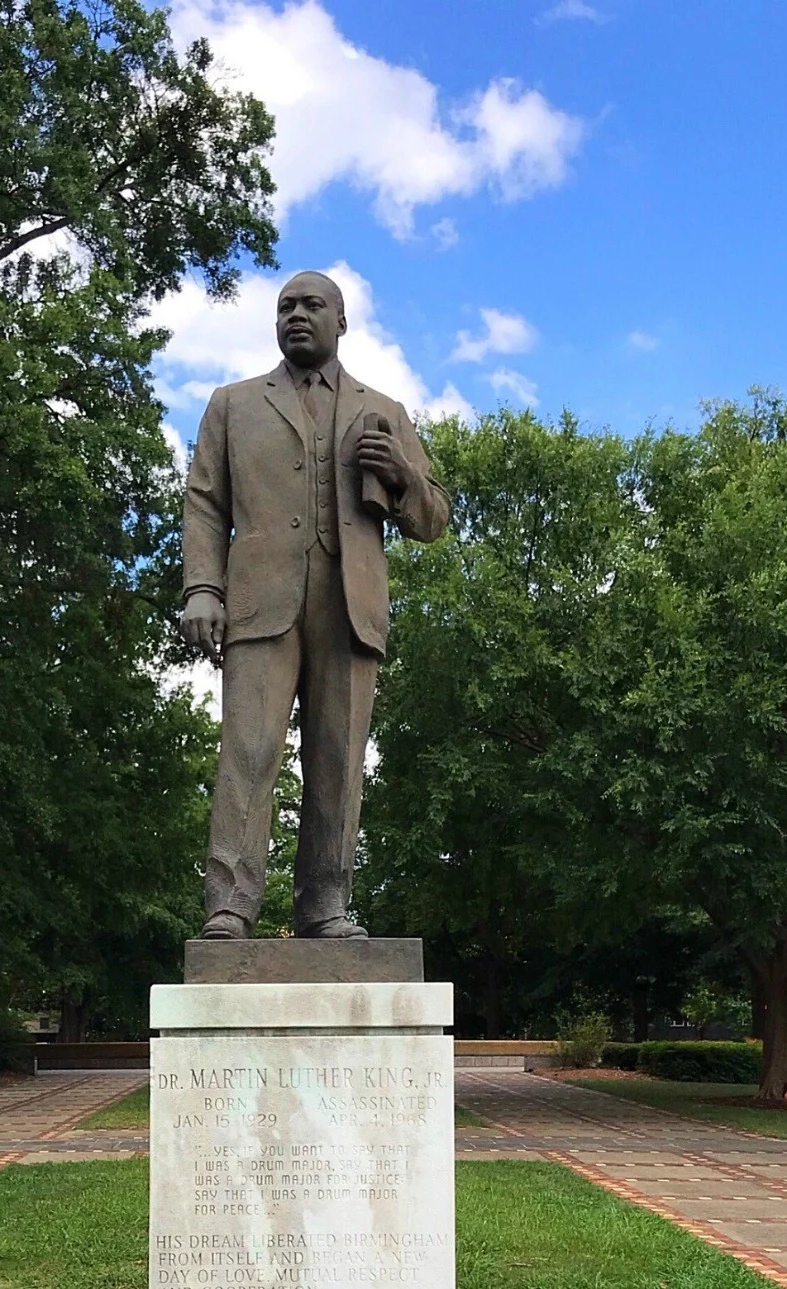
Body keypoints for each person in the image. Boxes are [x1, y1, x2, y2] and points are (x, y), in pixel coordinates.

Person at [182, 270, 449, 940]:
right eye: (284, 307)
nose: (296, 315)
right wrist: (202, 588)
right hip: (259, 605)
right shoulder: (232, 404)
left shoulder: (382, 408)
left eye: (311, 305)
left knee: (338, 757)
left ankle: (326, 903)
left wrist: (401, 471)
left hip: (350, 605)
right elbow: (205, 504)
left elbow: (434, 516)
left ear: (342, 320)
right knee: (247, 751)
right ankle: (230, 904)